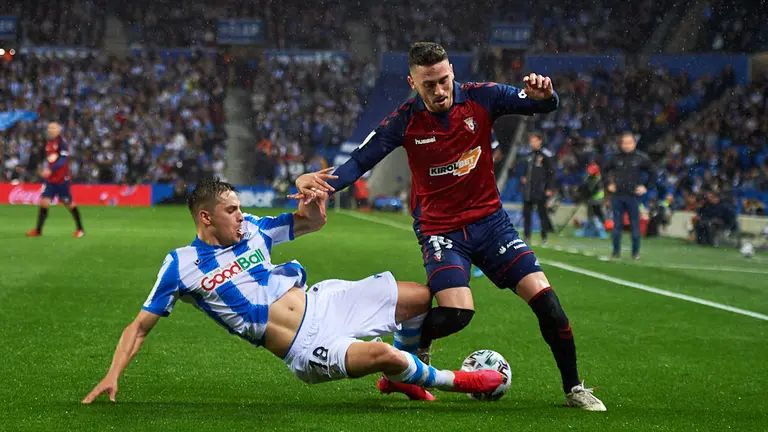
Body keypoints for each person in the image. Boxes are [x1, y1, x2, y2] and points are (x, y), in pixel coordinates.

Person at [295, 42, 605, 411]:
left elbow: (541, 104)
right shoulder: (404, 120)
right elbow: (359, 161)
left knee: (548, 304)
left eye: (444, 80)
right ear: (413, 83)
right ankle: (413, 341)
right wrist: (318, 185)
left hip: (492, 224)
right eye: (429, 85)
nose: (439, 91)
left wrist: (547, 96)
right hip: (441, 231)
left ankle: (574, 389)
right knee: (458, 314)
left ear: (452, 72)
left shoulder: (483, 97)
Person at [82, 174, 503, 404]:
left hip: (325, 300)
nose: (241, 215)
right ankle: (456, 381)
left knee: (422, 299)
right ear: (206, 218)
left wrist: (313, 204)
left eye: (241, 207)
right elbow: (139, 327)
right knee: (386, 356)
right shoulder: (180, 265)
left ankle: (403, 379)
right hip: (307, 346)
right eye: (232, 210)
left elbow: (310, 222)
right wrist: (112, 375)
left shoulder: (253, 229)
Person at [26, 122, 85, 238]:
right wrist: (42, 168)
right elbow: (47, 158)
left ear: (59, 130)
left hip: (62, 180)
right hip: (51, 180)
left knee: (69, 204)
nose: (51, 130)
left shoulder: (62, 143)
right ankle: (38, 230)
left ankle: (80, 229)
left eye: (53, 128)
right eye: (49, 128)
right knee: (44, 202)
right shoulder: (48, 143)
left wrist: (51, 170)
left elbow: (63, 159)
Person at [602, 133, 653, 260]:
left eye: (629, 143)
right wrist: (608, 184)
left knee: (635, 226)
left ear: (634, 143)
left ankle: (635, 253)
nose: (627, 145)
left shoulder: (641, 158)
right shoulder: (615, 158)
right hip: (617, 196)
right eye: (625, 143)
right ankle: (615, 252)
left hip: (633, 196)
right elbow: (604, 170)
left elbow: (653, 172)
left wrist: (646, 186)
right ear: (621, 144)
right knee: (617, 226)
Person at [521, 132, 556, 243]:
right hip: (529, 190)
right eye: (531, 141)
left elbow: (551, 172)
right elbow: (525, 171)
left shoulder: (545, 155)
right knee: (526, 214)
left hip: (541, 189)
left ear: (540, 141)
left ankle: (544, 236)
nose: (533, 143)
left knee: (542, 214)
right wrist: (524, 178)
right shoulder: (529, 155)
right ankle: (527, 236)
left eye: (535, 140)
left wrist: (549, 188)